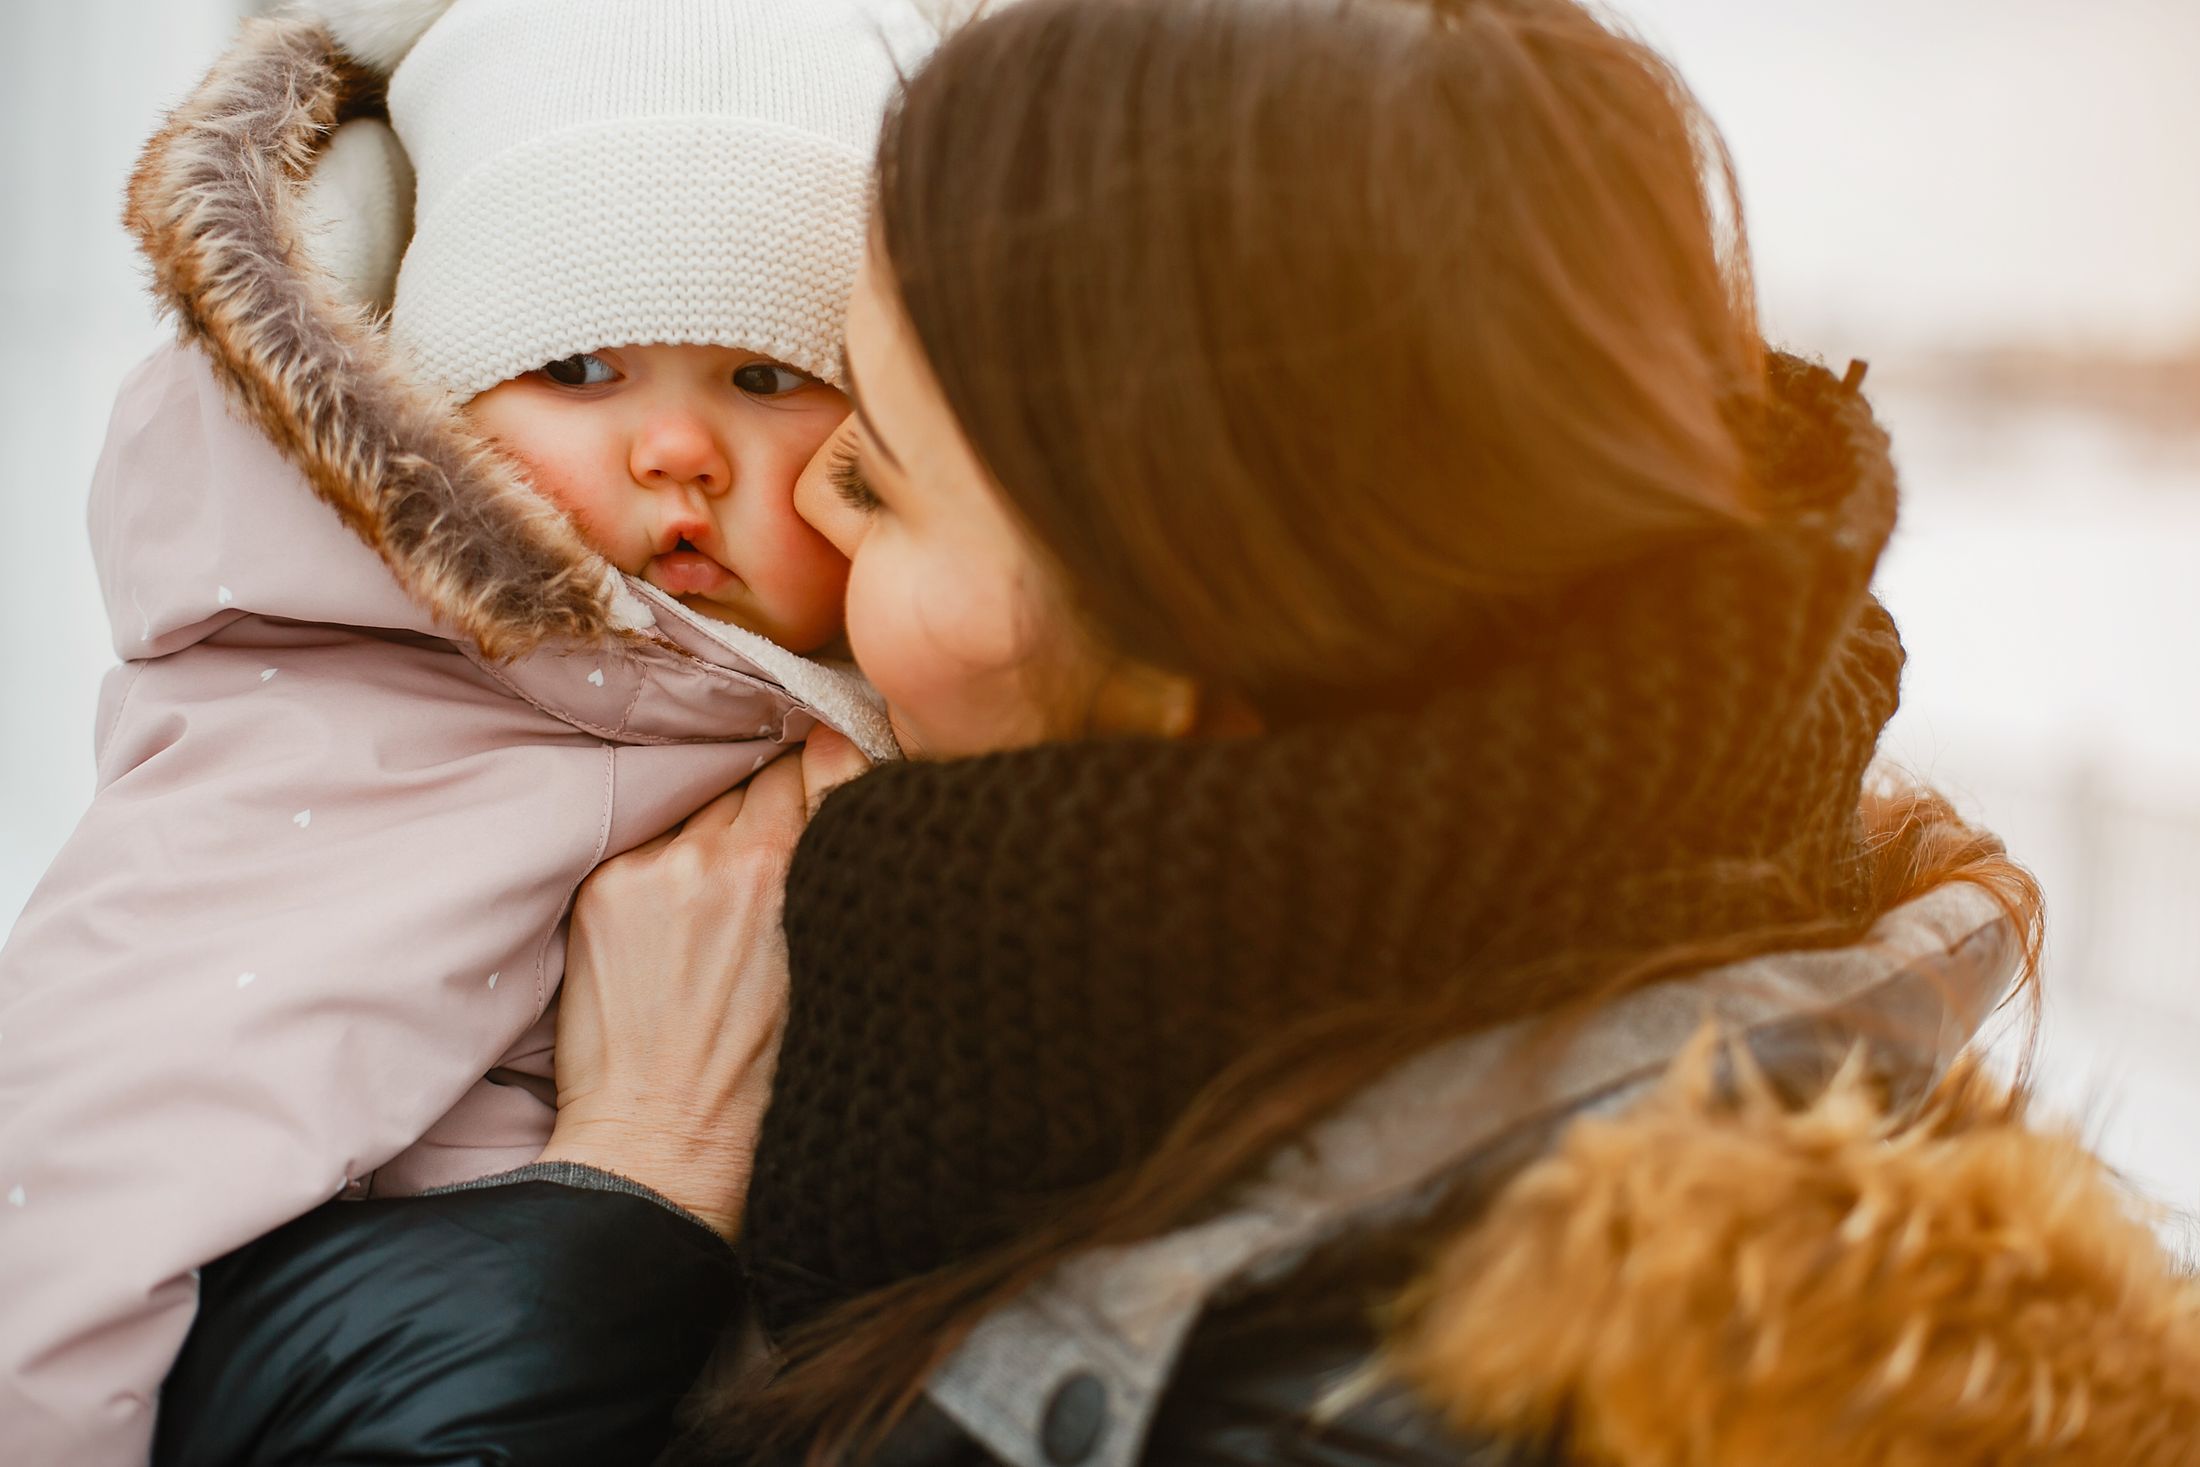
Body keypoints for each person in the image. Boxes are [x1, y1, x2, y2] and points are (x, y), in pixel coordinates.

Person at [152, 0, 2200, 1464]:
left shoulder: (1360, 1391)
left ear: (1185, 652)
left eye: (870, 479)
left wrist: (615, 1209)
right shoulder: (1602, 973)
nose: (805, 553)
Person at [0, 1, 928, 1460]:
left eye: (765, 376)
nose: (675, 449)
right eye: (577, 369)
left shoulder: (937, 698)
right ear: (429, 400)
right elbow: (82, 1169)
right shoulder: (334, 712)